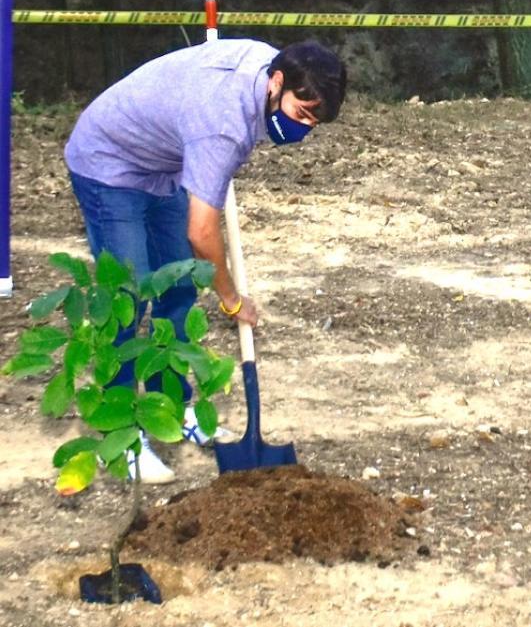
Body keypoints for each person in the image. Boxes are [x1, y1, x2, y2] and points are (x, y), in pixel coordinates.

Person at [64, 39, 347, 483]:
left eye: (314, 121)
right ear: (277, 82)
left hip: (164, 163)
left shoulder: (271, 68)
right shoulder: (223, 127)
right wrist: (231, 299)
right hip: (109, 162)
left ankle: (171, 409)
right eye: (302, 114)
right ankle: (118, 436)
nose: (304, 129)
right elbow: (201, 232)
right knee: (126, 300)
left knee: (179, 287)